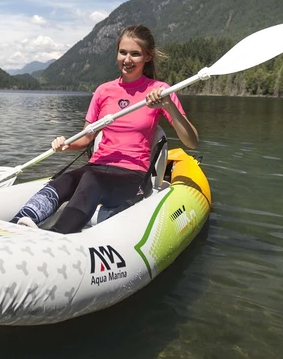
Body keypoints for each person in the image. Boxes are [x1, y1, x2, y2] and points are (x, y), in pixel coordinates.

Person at [11, 24, 199, 234]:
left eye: (135, 54)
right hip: (97, 167)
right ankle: (12, 227)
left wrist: (168, 106)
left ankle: (57, 236)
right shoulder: (103, 91)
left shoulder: (161, 91)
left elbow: (192, 141)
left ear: (147, 57)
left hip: (132, 176)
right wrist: (66, 144)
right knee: (64, 181)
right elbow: (86, 139)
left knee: (90, 180)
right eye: (123, 52)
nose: (127, 60)